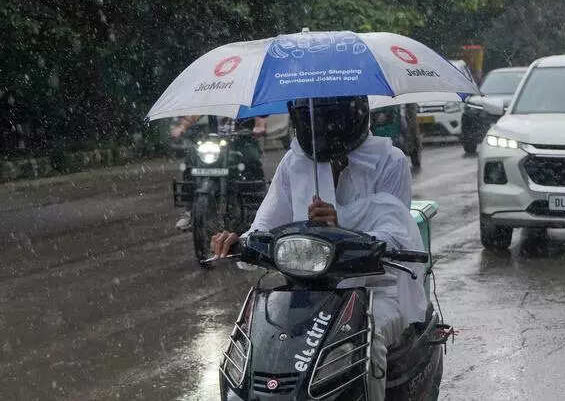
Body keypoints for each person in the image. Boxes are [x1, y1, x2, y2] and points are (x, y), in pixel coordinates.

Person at [210, 96, 427, 401]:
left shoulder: (389, 161)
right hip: (306, 291)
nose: (319, 126)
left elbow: (395, 232)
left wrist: (342, 226)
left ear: (353, 113)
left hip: (376, 289)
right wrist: (240, 242)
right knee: (258, 343)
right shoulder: (294, 163)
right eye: (309, 117)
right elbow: (265, 225)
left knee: (368, 340)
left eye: (328, 117)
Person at [171, 115, 267, 230]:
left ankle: (256, 209)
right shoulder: (213, 98)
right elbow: (195, 114)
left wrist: (259, 126)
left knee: (251, 160)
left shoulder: (244, 98)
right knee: (192, 158)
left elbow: (259, 114)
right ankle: (190, 210)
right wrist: (182, 127)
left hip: (242, 141)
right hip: (215, 142)